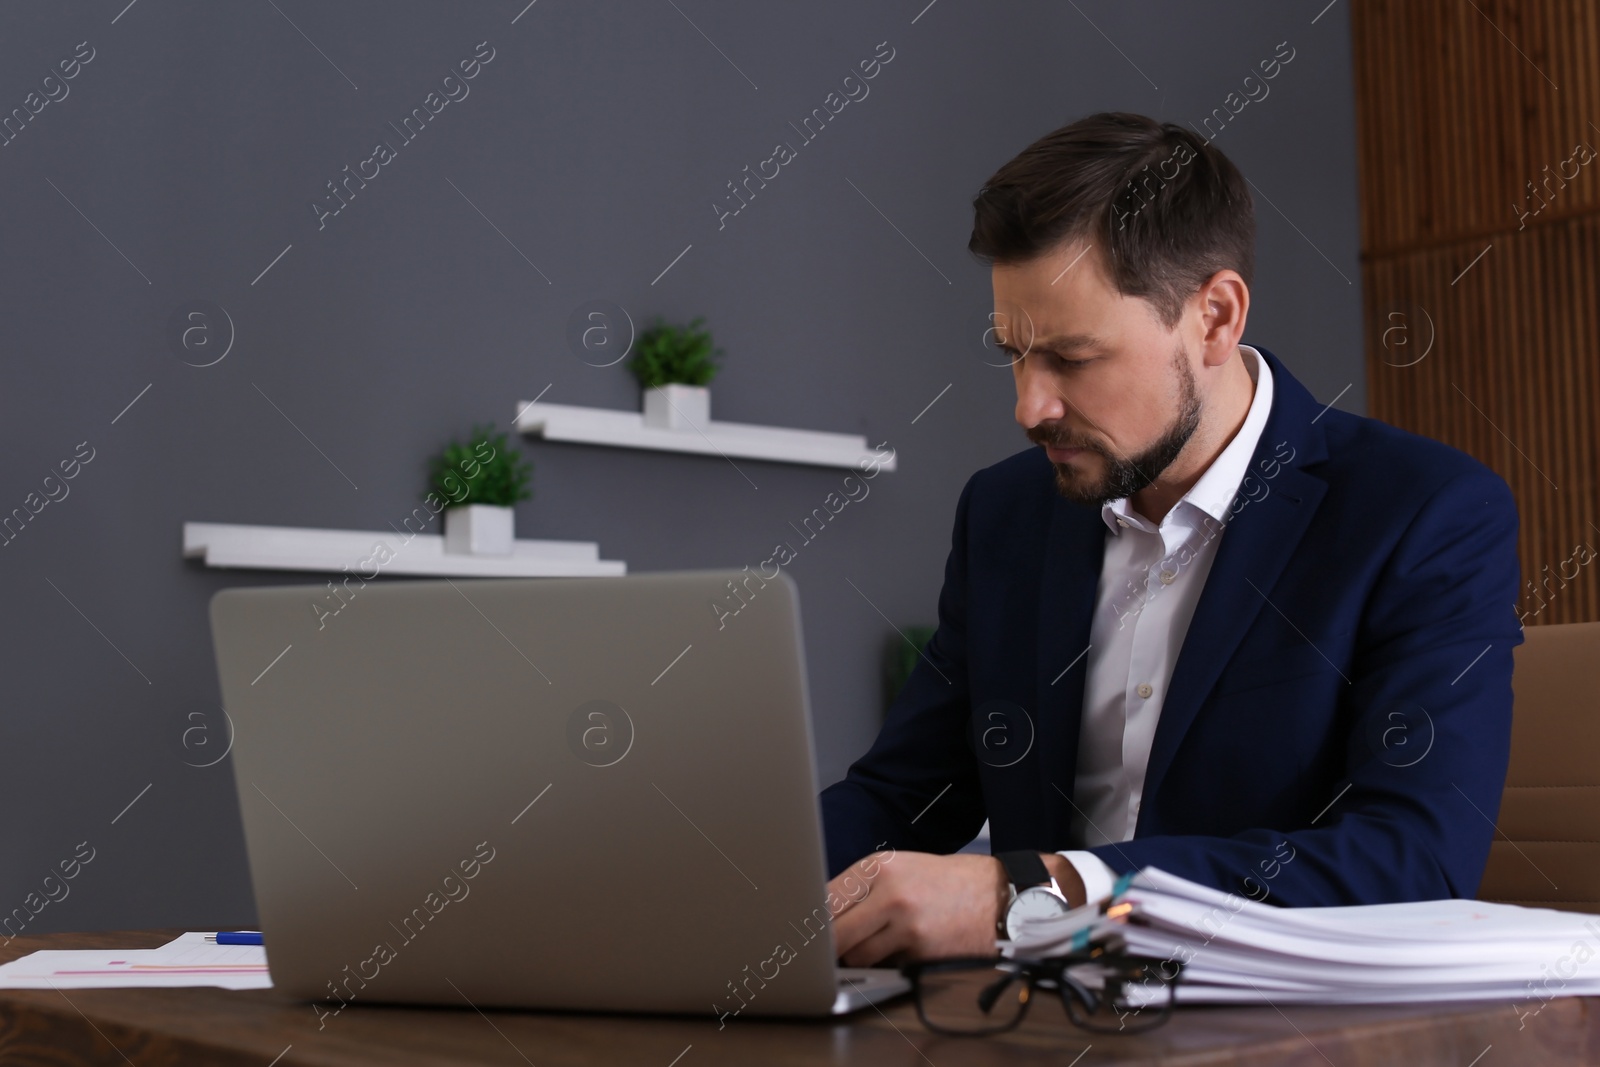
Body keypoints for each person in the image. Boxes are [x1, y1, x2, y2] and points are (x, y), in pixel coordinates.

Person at [819, 111, 1524, 967]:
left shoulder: (1425, 512)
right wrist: (714, 880)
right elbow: (904, 794)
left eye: (1073, 359)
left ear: (1216, 318)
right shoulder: (1003, 512)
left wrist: (1038, 893)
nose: (1028, 407)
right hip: (1028, 1022)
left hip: (1274, 1028)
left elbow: (1415, 858)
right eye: (1015, 353)